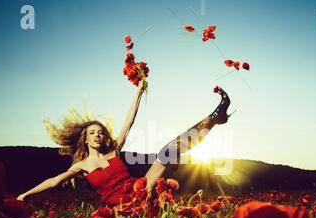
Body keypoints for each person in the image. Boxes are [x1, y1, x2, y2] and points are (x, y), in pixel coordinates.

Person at [17, 81, 232, 206]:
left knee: (168, 152)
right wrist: (26, 194)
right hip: (118, 207)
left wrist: (138, 92)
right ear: (85, 138)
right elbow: (54, 181)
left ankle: (214, 118)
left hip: (140, 187)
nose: (98, 135)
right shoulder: (81, 166)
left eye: (100, 132)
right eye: (92, 133)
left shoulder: (114, 150)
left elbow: (129, 121)